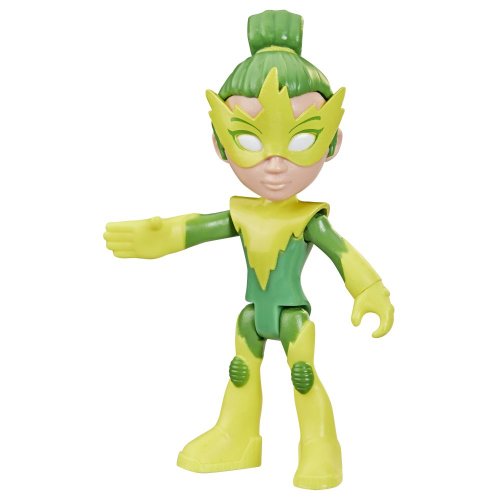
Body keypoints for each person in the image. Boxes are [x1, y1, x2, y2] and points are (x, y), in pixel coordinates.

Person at [104, 9, 394, 490]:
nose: (274, 164)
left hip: (292, 316)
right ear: (220, 145)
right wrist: (159, 238)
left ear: (332, 144)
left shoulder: (308, 220)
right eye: (248, 139)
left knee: (303, 374)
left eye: (303, 137)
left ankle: (320, 444)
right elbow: (198, 228)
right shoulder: (242, 214)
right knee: (241, 370)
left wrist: (370, 289)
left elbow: (342, 253)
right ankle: (237, 436)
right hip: (252, 315)